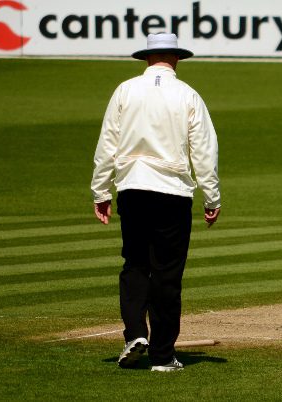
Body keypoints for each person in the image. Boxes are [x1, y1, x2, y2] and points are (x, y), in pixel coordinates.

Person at [91, 33, 221, 371]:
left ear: (148, 58)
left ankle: (135, 332)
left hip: (132, 188)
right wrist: (212, 197)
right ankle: (162, 356)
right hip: (172, 192)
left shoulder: (125, 90)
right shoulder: (188, 94)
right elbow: (204, 150)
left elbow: (108, 143)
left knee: (135, 263)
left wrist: (101, 191)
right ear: (176, 58)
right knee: (167, 273)